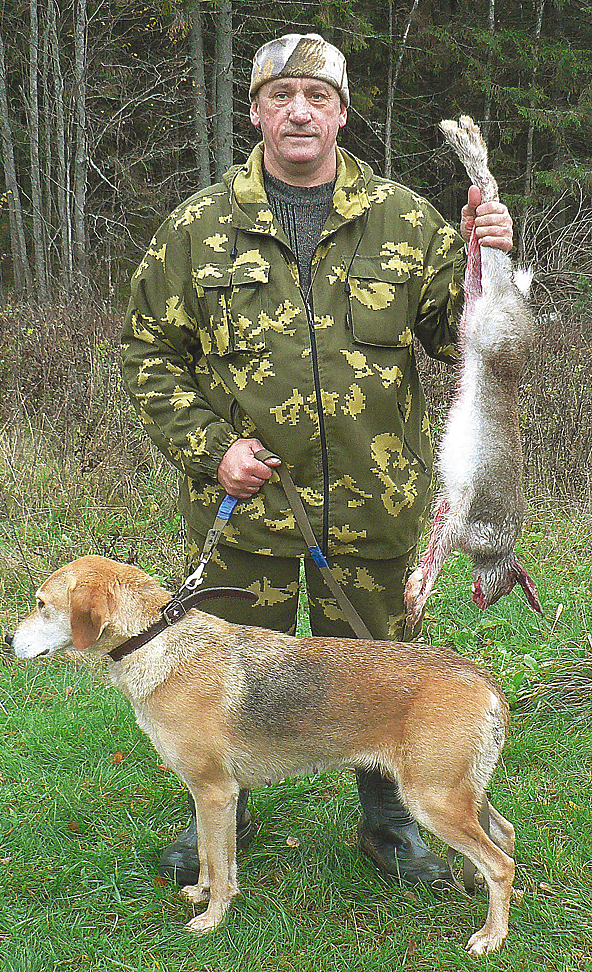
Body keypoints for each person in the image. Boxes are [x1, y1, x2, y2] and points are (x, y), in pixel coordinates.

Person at [121, 33, 513, 891]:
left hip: (376, 502)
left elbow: (470, 342)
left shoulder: (406, 220)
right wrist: (211, 449)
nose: (299, 111)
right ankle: (220, 811)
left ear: (340, 114)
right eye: (282, 95)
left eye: (317, 97)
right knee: (216, 672)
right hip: (246, 509)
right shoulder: (196, 227)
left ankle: (391, 823)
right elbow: (148, 354)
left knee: (382, 669)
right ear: (256, 111)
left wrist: (491, 261)